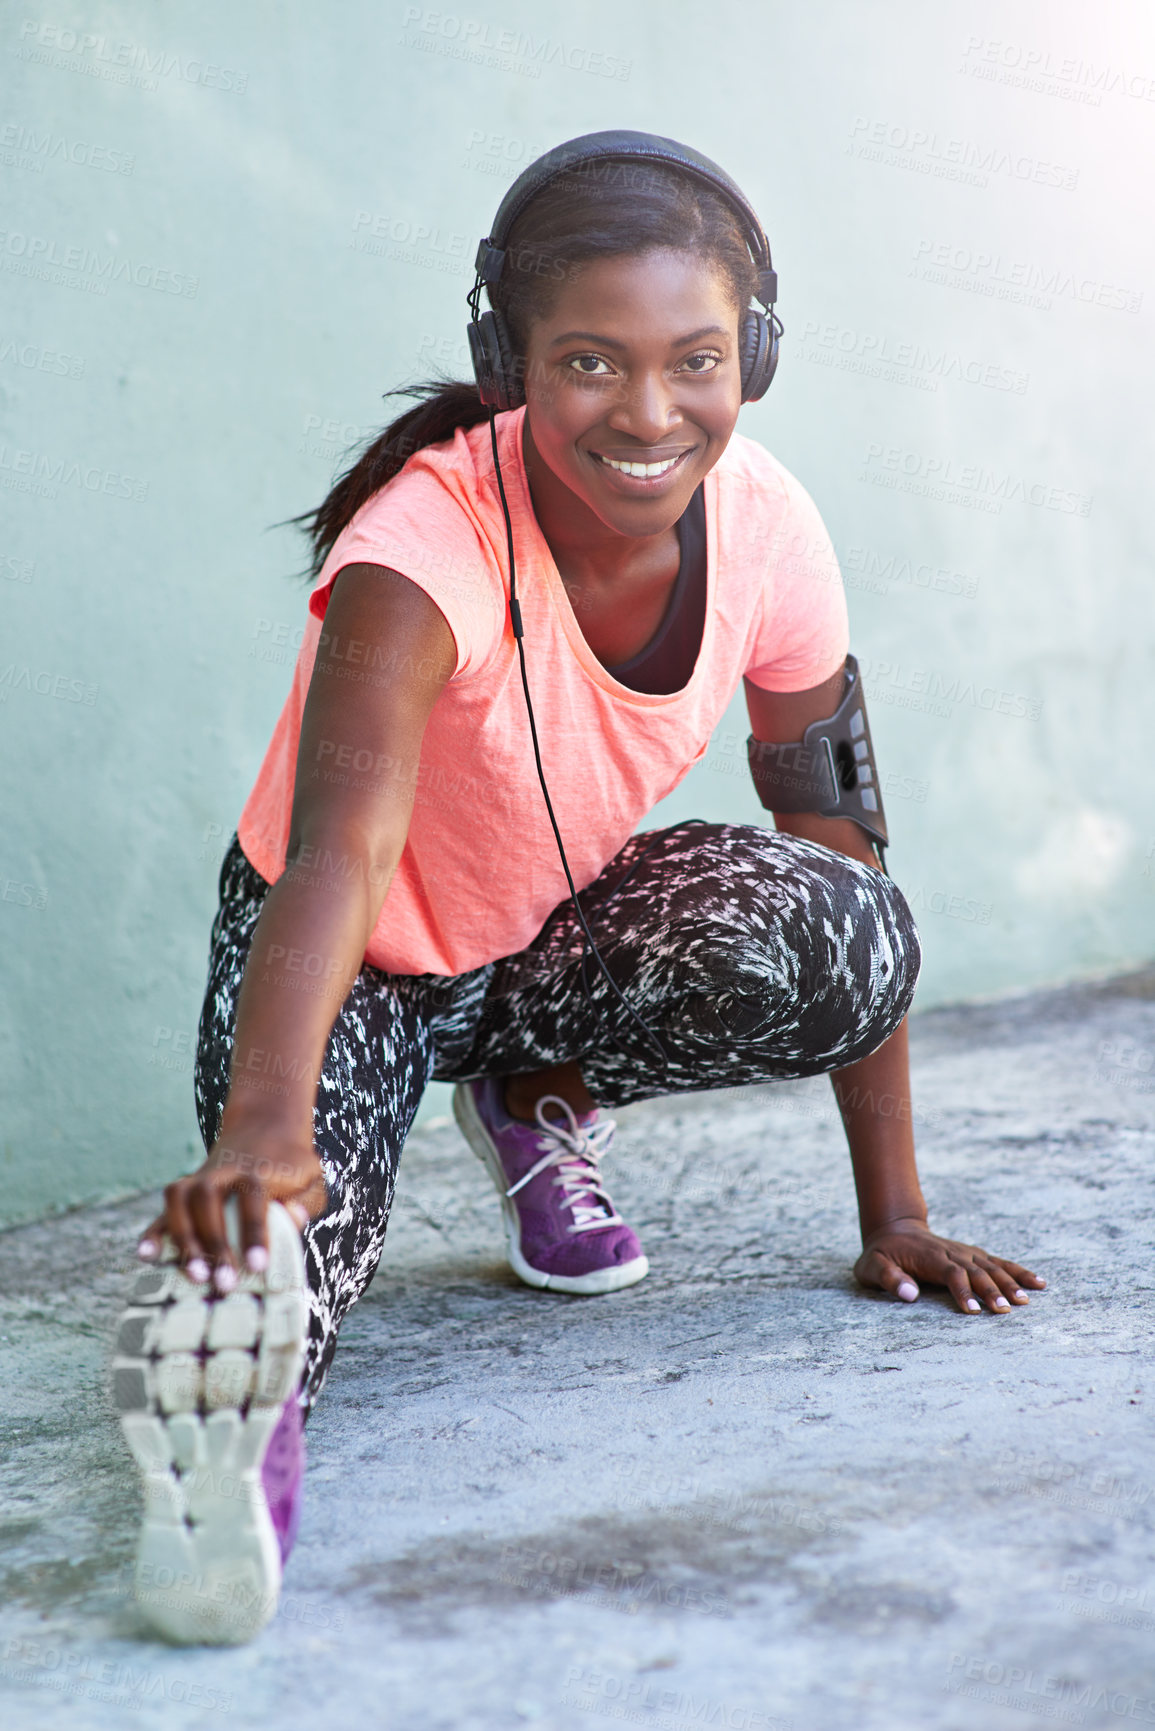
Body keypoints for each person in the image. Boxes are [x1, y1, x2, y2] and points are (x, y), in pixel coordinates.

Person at [112, 132, 1045, 1645]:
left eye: (695, 360)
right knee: (286, 1260)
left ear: (755, 353)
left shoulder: (772, 529)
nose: (650, 411)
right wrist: (267, 1133)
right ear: (510, 362)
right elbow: (342, 850)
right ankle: (226, 1471)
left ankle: (530, 1096)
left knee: (843, 931)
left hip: (536, 946)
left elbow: (843, 837)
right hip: (338, 963)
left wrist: (898, 1215)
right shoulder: (415, 552)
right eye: (591, 363)